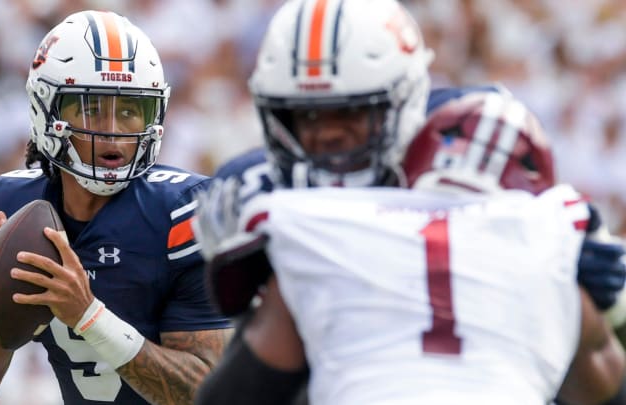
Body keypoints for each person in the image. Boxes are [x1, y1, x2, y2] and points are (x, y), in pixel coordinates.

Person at [189, 0, 626, 404]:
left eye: (352, 112)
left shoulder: (465, 144)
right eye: (305, 115)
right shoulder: (253, 187)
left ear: (407, 100)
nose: (328, 134)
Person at [0, 10, 232, 405]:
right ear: (47, 110)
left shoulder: (182, 212)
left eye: (128, 110)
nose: (112, 129)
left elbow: (215, 395)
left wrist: (89, 316)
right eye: (91, 108)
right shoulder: (8, 205)